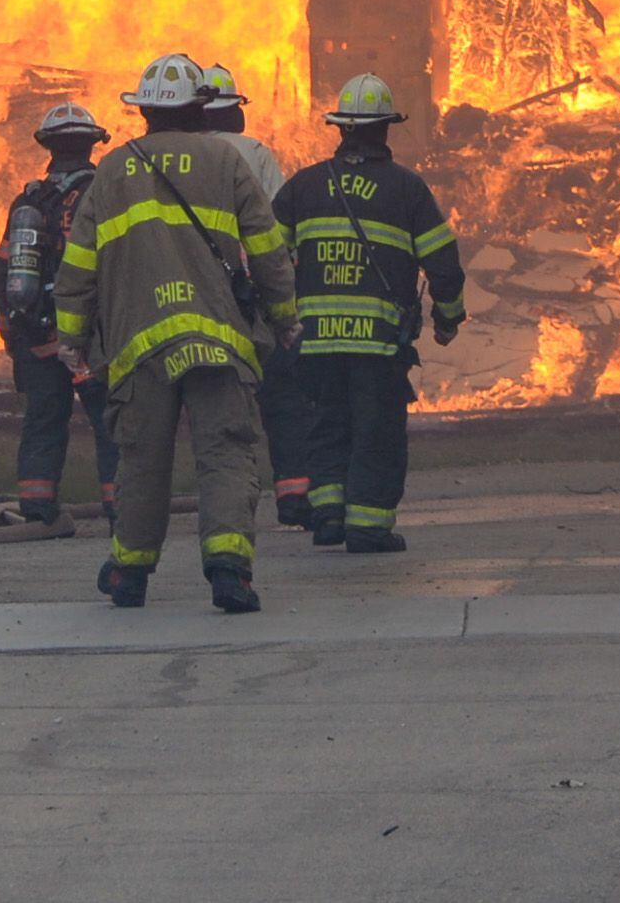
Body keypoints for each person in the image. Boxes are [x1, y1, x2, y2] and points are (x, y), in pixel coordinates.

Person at [54, 53, 299, 613]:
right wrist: (283, 320)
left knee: (141, 457)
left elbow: (80, 265)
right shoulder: (225, 160)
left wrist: (71, 338)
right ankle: (229, 572)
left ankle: (130, 575)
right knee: (227, 452)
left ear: (143, 113)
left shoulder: (112, 171)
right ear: (198, 108)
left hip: (139, 346)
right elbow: (267, 249)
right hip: (218, 341)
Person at [274, 75, 470, 552]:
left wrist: (279, 317)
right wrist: (448, 319)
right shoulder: (406, 190)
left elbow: (265, 257)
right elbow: (443, 263)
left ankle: (328, 518)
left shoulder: (304, 185)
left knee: (327, 426)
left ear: (341, 130)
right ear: (386, 129)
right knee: (376, 433)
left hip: (317, 342)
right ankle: (367, 526)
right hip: (377, 344)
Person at [195, 64, 318, 530]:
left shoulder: (170, 157)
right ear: (232, 113)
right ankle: (293, 495)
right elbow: (277, 233)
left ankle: (196, 500)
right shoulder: (254, 154)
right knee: (281, 397)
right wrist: (284, 302)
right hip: (252, 299)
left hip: (189, 298)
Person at [0, 102, 118, 524]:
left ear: (49, 148)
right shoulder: (108, 194)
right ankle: (122, 508)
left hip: (39, 337)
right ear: (92, 145)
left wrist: (13, 336)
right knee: (111, 421)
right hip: (90, 340)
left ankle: (37, 505)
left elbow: (0, 274)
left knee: (44, 420)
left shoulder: (28, 202)